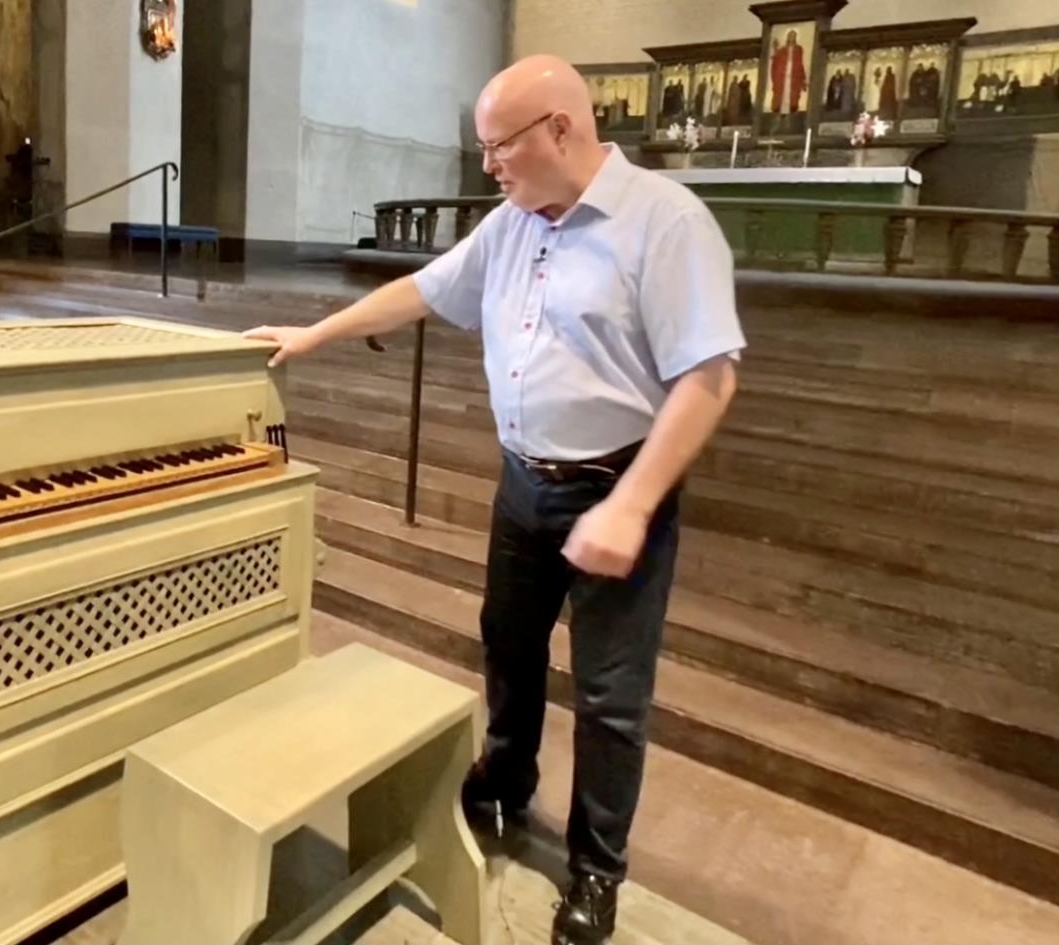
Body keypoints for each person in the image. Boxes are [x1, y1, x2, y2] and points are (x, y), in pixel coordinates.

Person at [244, 53, 744, 945]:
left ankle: (597, 867)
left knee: (611, 694)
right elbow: (425, 291)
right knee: (507, 647)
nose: (489, 165)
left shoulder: (666, 223)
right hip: (524, 485)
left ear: (561, 128)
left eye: (499, 144)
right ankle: (506, 785)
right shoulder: (513, 224)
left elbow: (708, 376)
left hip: (617, 486)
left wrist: (631, 505)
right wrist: (315, 332)